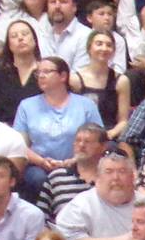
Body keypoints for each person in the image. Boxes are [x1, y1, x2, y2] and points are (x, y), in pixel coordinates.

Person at [13, 57, 104, 197]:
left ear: (63, 76)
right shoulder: (26, 105)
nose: (41, 76)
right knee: (37, 179)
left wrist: (75, 160)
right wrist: (42, 161)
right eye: (38, 73)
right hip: (39, 166)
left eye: (47, 71)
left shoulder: (86, 105)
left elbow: (99, 139)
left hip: (79, 163)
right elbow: (20, 144)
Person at [37, 124, 109, 222]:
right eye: (78, 141)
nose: (81, 145)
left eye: (88, 142)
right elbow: (42, 218)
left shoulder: (111, 179)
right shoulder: (56, 177)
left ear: (103, 146)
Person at [70, 29, 129, 134]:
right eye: (99, 44)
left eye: (109, 45)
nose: (104, 48)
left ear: (114, 51)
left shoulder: (121, 81)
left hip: (107, 136)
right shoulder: (74, 80)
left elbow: (123, 121)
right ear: (89, 48)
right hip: (79, 135)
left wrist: (108, 136)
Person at [0, 18, 42, 124]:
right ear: (9, 45)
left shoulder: (45, 70)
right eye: (14, 36)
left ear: (34, 39)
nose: (20, 38)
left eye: (25, 34)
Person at [36, 0, 91, 73]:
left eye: (63, 2)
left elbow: (79, 75)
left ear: (74, 7)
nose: (57, 6)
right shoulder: (41, 35)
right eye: (53, 2)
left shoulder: (86, 36)